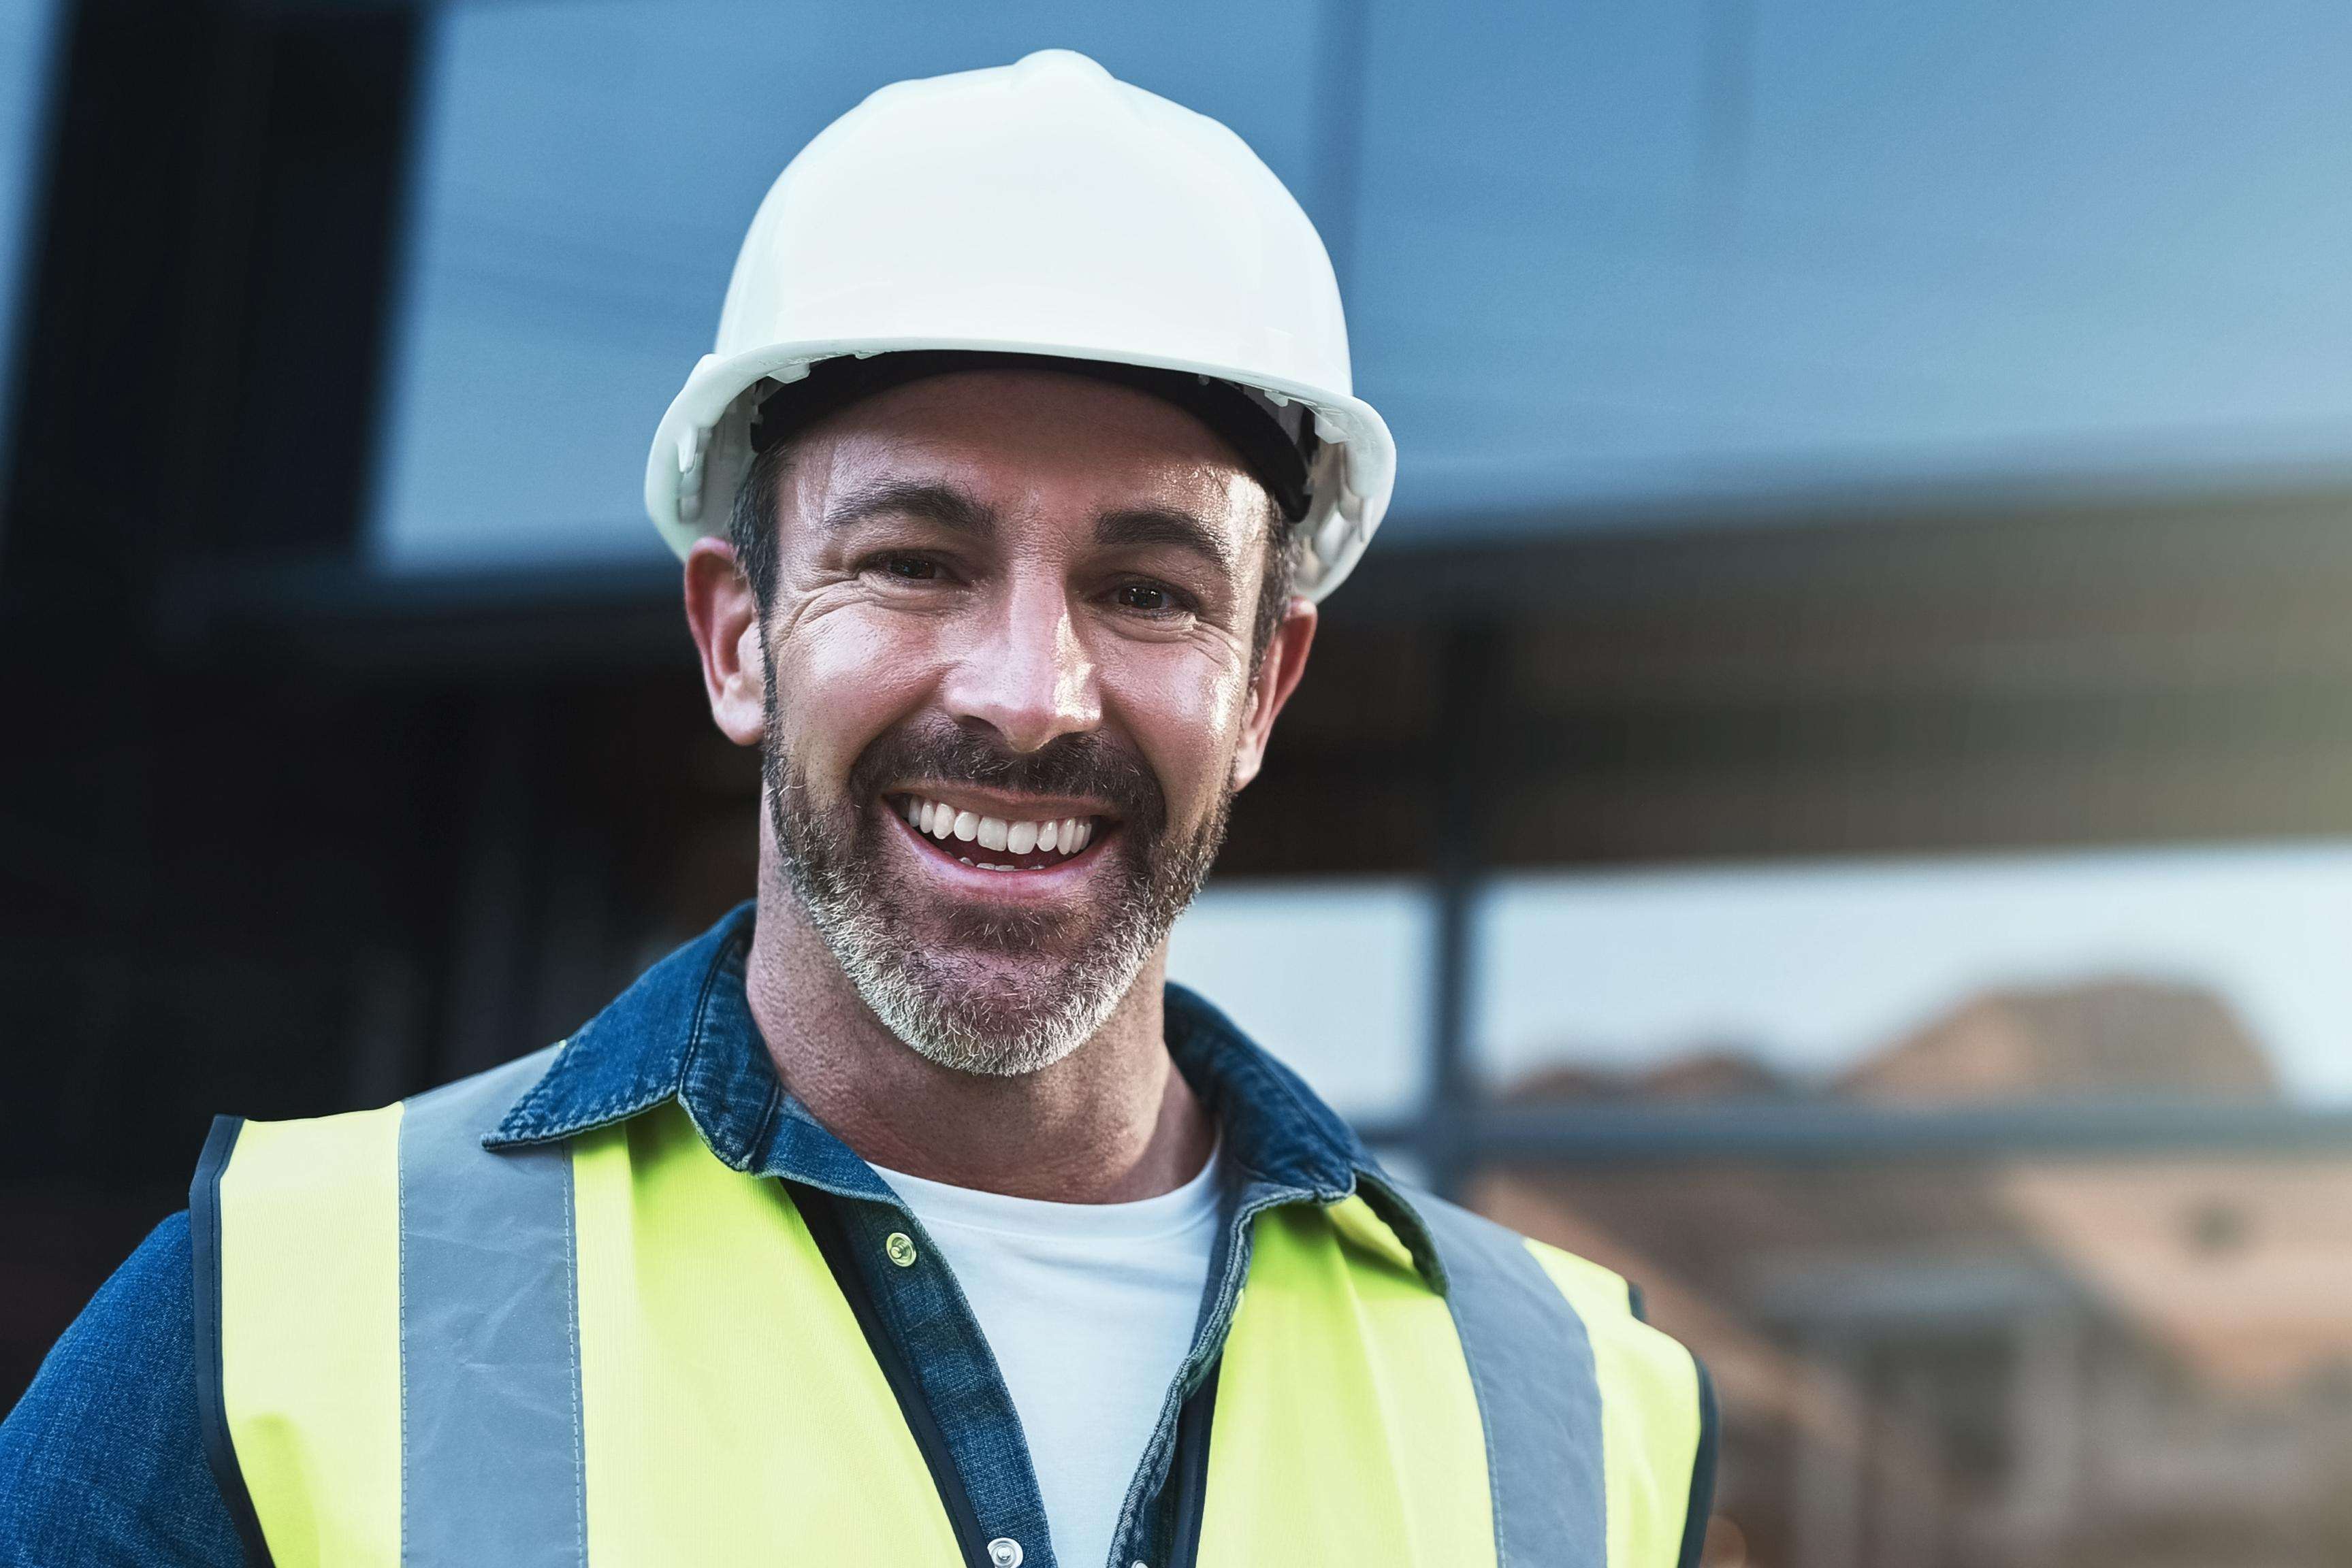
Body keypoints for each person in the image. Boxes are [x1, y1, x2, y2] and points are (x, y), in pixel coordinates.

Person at [0, 50, 1713, 1568]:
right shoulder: (279, 1325)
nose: (1029, 692)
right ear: (740, 639)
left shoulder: (1584, 1423)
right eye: (913, 562)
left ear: (1264, 686)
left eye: (1151, 590)